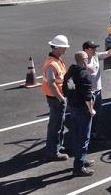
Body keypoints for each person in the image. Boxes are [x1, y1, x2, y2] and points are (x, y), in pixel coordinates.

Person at [82, 39, 111, 140]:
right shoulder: (81, 62)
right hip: (89, 93)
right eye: (92, 48)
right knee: (88, 115)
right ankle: (86, 136)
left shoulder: (95, 56)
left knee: (97, 114)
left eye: (95, 48)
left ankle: (95, 133)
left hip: (98, 91)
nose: (95, 50)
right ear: (86, 50)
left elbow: (109, 53)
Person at [63, 51, 96, 176]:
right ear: (84, 61)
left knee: (76, 135)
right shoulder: (84, 75)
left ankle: (82, 159)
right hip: (82, 110)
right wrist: (91, 110)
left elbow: (66, 89)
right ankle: (78, 167)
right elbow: (87, 97)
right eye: (87, 58)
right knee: (84, 138)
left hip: (73, 108)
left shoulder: (70, 72)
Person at [41, 34, 70, 162]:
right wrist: (60, 98)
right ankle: (53, 152)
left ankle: (58, 146)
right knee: (55, 125)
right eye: (63, 47)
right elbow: (51, 83)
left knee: (60, 124)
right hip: (56, 98)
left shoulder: (56, 60)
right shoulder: (52, 63)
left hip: (57, 97)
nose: (65, 49)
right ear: (56, 47)